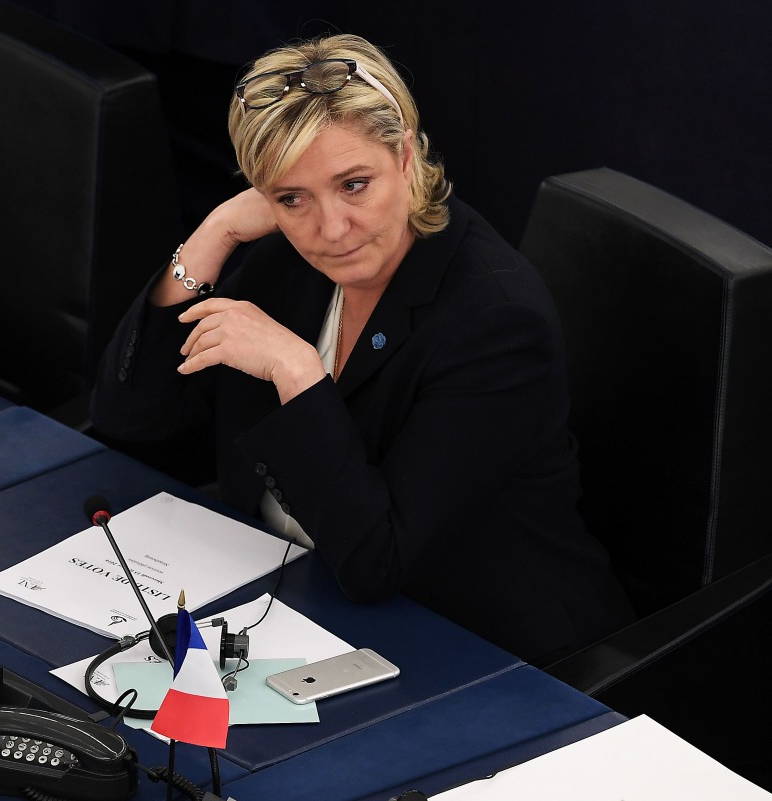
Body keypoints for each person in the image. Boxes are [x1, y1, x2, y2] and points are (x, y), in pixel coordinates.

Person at [90, 34, 634, 665]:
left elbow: (378, 562)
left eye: (354, 184)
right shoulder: (286, 255)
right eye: (291, 198)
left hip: (474, 648)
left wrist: (297, 372)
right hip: (289, 602)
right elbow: (128, 416)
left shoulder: (495, 322)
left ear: (405, 156)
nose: (331, 229)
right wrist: (216, 233)